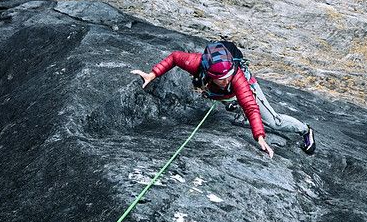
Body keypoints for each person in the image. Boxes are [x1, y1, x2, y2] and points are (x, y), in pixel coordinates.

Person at [131, 41, 315, 158]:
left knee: (274, 121)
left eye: (228, 75)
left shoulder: (236, 78)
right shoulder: (196, 63)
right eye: (222, 77)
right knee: (223, 95)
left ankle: (305, 130)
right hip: (219, 91)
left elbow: (251, 107)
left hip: (244, 87)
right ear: (209, 73)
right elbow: (175, 57)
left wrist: (259, 137)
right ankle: (232, 103)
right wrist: (152, 74)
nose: (226, 79)